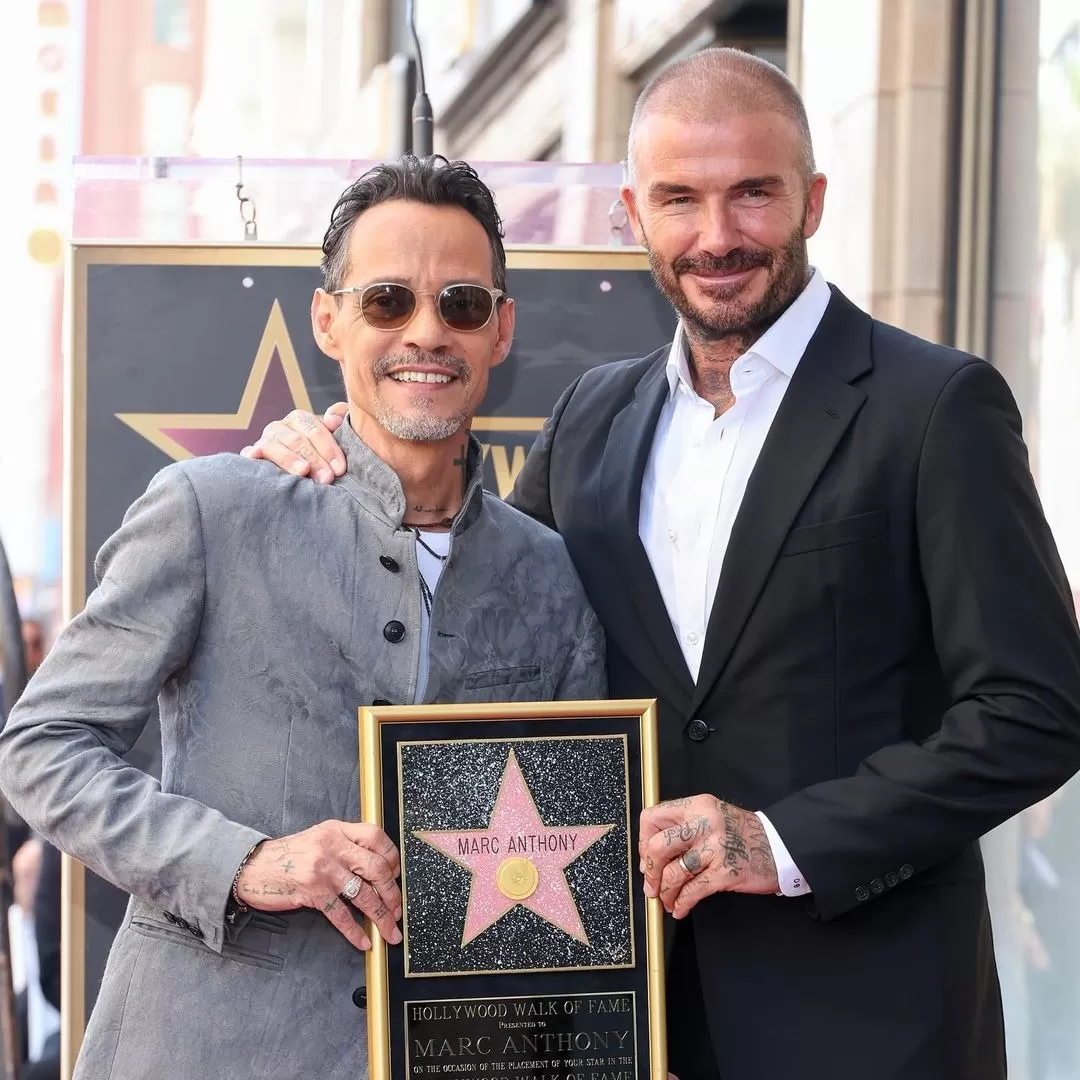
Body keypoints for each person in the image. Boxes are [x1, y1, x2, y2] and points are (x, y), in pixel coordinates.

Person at [248, 48, 1080, 1080]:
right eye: (680, 199)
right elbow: (472, 609)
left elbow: (1034, 710)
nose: (717, 236)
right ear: (632, 215)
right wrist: (338, 448)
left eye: (753, 195)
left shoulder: (935, 407)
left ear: (812, 200)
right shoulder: (593, 416)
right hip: (623, 1017)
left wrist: (778, 843)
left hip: (875, 1021)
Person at [0, 155, 605, 1080]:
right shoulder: (213, 510)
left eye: (463, 305)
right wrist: (246, 863)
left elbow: (571, 874)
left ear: (501, 331)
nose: (426, 332)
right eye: (389, 300)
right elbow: (42, 746)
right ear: (329, 320)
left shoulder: (551, 575)